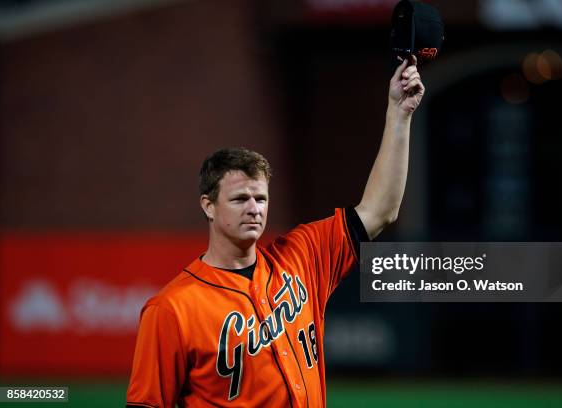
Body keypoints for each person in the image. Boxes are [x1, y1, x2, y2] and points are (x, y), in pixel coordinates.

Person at [126, 55, 424, 408]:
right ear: (208, 205)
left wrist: (399, 114)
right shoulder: (172, 309)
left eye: (260, 198)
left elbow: (380, 210)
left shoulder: (302, 255)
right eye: (239, 199)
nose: (254, 208)